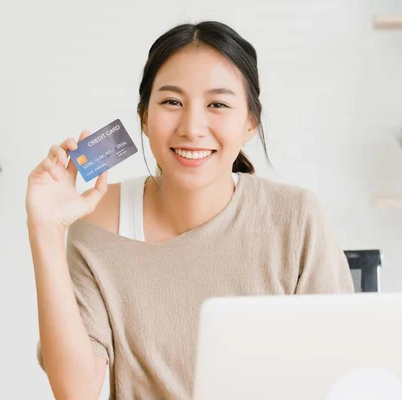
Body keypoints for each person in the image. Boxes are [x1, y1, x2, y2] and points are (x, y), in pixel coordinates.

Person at [25, 20, 354, 400]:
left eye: (217, 104)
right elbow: (75, 391)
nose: (192, 127)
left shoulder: (295, 217)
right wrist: (47, 230)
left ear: (250, 122)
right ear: (145, 118)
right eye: (171, 102)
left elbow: (337, 374)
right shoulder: (98, 222)